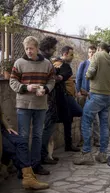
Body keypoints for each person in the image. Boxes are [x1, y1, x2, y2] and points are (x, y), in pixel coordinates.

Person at [9, 36, 55, 175]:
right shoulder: (19, 63)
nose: (29, 51)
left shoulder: (47, 64)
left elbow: (52, 80)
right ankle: (24, 168)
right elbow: (12, 82)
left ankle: (36, 165)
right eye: (27, 48)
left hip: (40, 105)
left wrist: (46, 89)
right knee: (23, 137)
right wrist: (26, 88)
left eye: (31, 48)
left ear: (37, 48)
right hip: (23, 105)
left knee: (37, 135)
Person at [73, 42, 110, 165]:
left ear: (99, 49)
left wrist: (88, 74)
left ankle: (86, 153)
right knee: (103, 124)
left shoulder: (97, 56)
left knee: (86, 122)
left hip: (96, 95)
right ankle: (102, 154)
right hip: (107, 96)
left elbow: (89, 74)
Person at [0, 104, 49, 190]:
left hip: (2, 129)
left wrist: (7, 126)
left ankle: (28, 178)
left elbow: (1, 113)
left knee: (22, 142)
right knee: (12, 150)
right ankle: (26, 176)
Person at [53, 46, 82, 152]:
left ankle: (68, 145)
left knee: (68, 120)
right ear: (65, 54)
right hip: (64, 96)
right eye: (71, 54)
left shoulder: (65, 65)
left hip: (69, 95)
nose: (73, 57)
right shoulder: (58, 64)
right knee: (78, 111)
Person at [39, 36, 60, 165]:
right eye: (53, 48)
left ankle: (46, 154)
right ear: (47, 48)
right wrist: (56, 77)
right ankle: (43, 156)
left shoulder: (44, 59)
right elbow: (48, 78)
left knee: (48, 128)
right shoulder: (44, 60)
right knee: (46, 128)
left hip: (48, 98)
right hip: (47, 99)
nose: (54, 50)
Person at [76, 45, 100, 147]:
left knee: (95, 118)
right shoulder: (84, 64)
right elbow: (78, 78)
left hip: (94, 94)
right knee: (83, 118)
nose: (91, 54)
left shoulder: (99, 65)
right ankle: (83, 140)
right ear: (88, 53)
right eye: (90, 52)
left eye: (93, 52)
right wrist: (78, 91)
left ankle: (97, 140)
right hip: (84, 94)